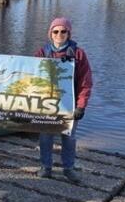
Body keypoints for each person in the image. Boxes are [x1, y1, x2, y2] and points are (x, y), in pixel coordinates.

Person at [34, 17, 93, 182]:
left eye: (63, 31)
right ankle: (46, 167)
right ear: (50, 34)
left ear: (69, 33)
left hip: (69, 104)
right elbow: (30, 75)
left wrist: (81, 106)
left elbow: (85, 82)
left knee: (69, 137)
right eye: (56, 31)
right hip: (46, 105)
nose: (59, 34)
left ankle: (68, 168)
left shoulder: (79, 54)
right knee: (45, 137)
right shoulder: (42, 53)